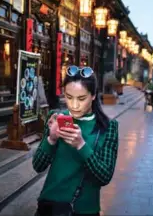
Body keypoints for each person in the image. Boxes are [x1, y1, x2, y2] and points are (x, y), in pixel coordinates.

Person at [33, 65, 119, 216]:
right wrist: (51, 139)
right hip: (49, 206)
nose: (74, 105)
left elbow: (105, 176)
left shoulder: (108, 127)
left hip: (83, 209)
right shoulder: (57, 118)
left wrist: (81, 145)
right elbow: (38, 166)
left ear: (93, 96)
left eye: (81, 98)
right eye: (68, 96)